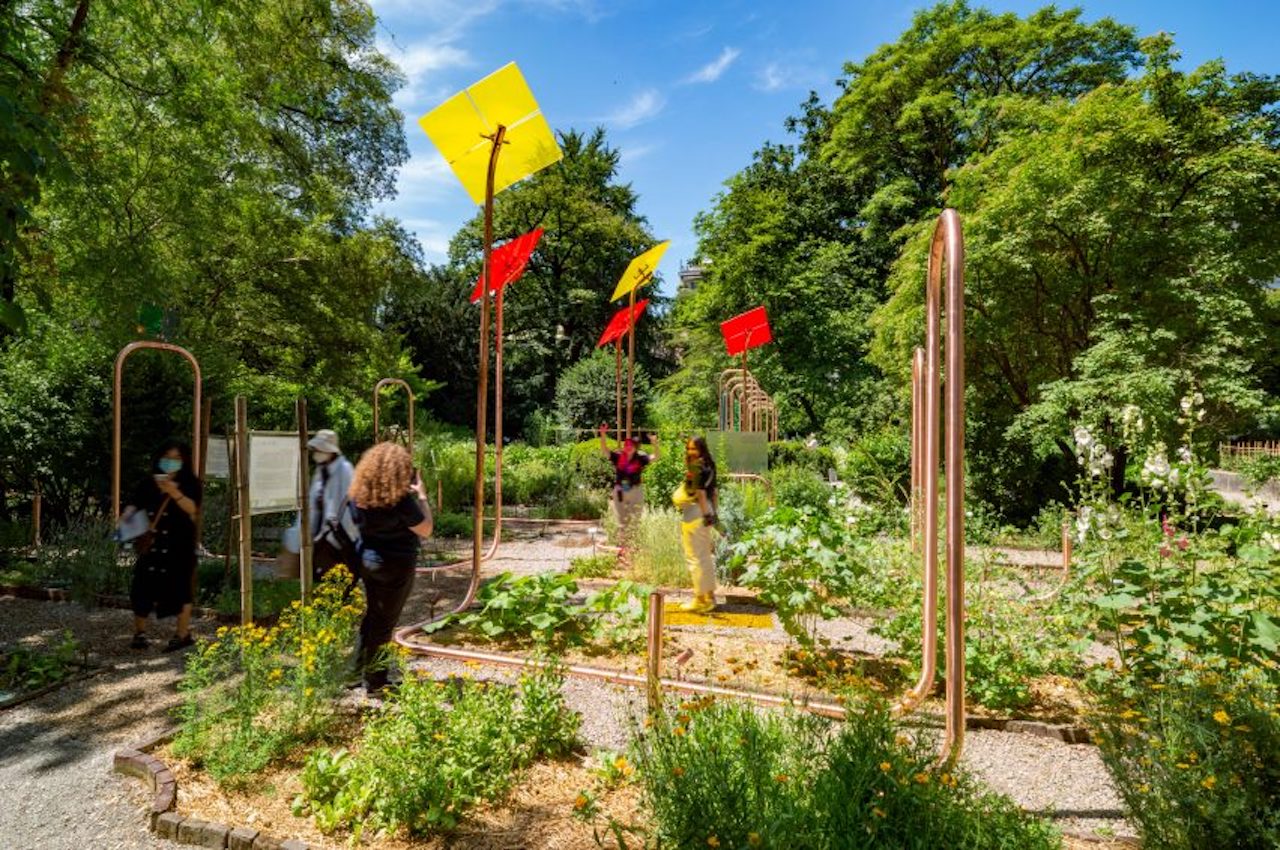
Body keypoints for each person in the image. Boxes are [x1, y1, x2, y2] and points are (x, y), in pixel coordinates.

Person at [348, 442, 432, 694]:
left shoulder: (358, 495)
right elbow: (426, 529)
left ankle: (355, 673)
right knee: (384, 623)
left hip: (368, 561)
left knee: (372, 617)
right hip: (396, 565)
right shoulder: (400, 500)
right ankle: (376, 682)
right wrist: (423, 496)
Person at [121, 441, 203, 651]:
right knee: (141, 588)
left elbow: (193, 509)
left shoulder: (190, 483)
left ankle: (181, 634)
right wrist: (128, 513)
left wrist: (174, 493)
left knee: (181, 590)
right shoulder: (148, 483)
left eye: (176, 458)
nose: (171, 462)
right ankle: (139, 633)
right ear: (159, 458)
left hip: (180, 546)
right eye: (168, 457)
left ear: (184, 461)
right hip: (153, 545)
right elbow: (134, 502)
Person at [599, 423, 658, 564]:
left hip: (636, 491)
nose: (628, 446)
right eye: (626, 444)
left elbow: (656, 456)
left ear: (635, 447)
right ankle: (623, 552)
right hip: (620, 492)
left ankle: (632, 549)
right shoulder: (618, 457)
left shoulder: (640, 458)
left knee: (635, 521)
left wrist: (655, 443)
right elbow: (604, 450)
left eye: (631, 445)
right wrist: (602, 435)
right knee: (622, 522)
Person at [304, 429, 357, 581]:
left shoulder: (345, 469)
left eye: (320, 449)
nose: (317, 453)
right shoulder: (321, 471)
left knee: (340, 582)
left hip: (340, 540)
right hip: (321, 538)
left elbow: (350, 505)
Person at [674, 436, 718, 613]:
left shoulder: (696, 467)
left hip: (695, 512)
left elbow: (699, 493)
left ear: (701, 449)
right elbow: (713, 492)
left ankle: (699, 600)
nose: (690, 452)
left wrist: (706, 514)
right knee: (705, 556)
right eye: (688, 449)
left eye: (694, 449)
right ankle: (710, 597)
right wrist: (713, 513)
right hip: (706, 509)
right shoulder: (711, 465)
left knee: (694, 557)